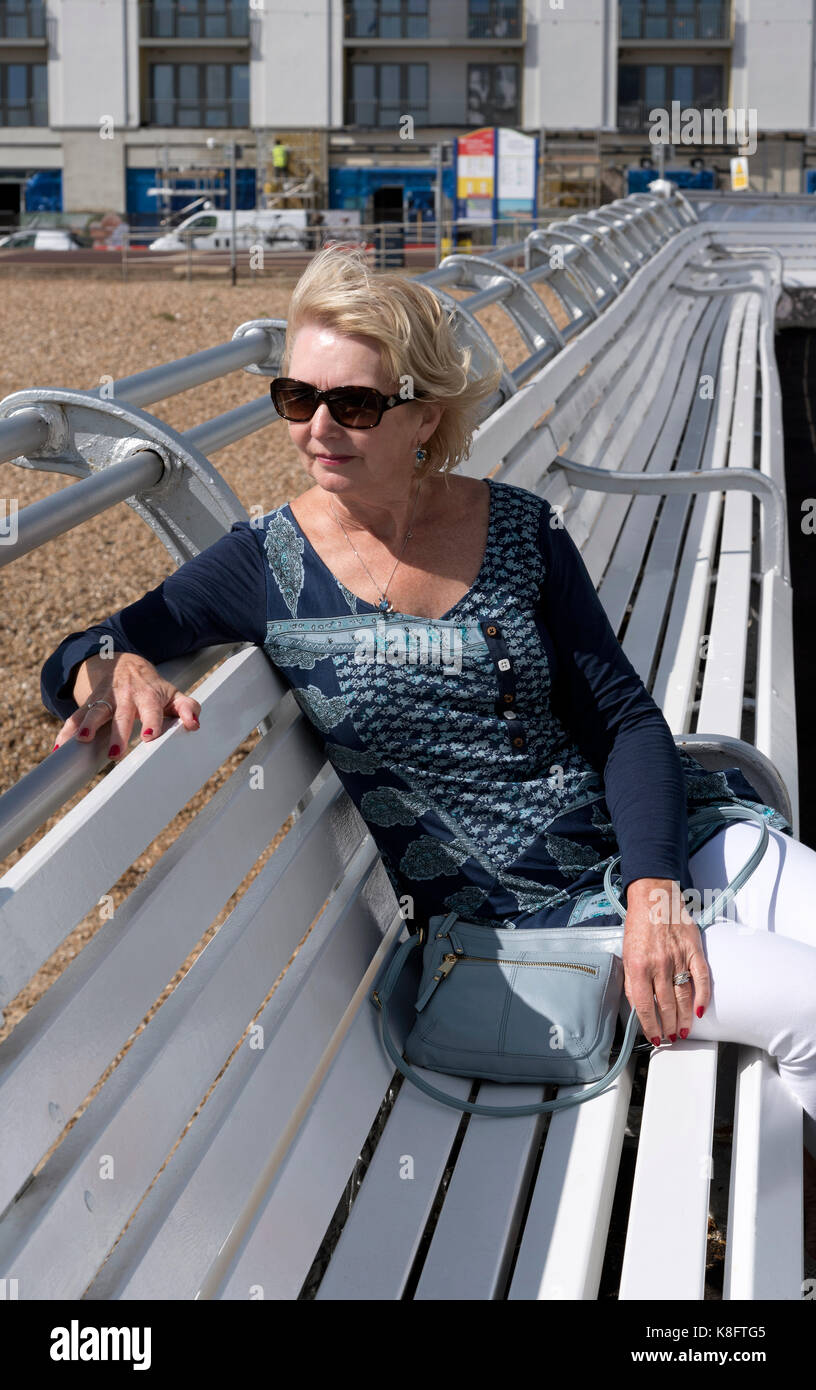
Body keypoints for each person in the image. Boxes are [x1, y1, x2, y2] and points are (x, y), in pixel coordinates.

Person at [41, 245, 816, 1261]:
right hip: (528, 926)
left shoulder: (519, 529)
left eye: (352, 405)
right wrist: (117, 667)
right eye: (294, 396)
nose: (316, 429)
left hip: (660, 851)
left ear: (424, 414)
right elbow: (85, 647)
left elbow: (625, 720)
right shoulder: (265, 564)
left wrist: (655, 885)